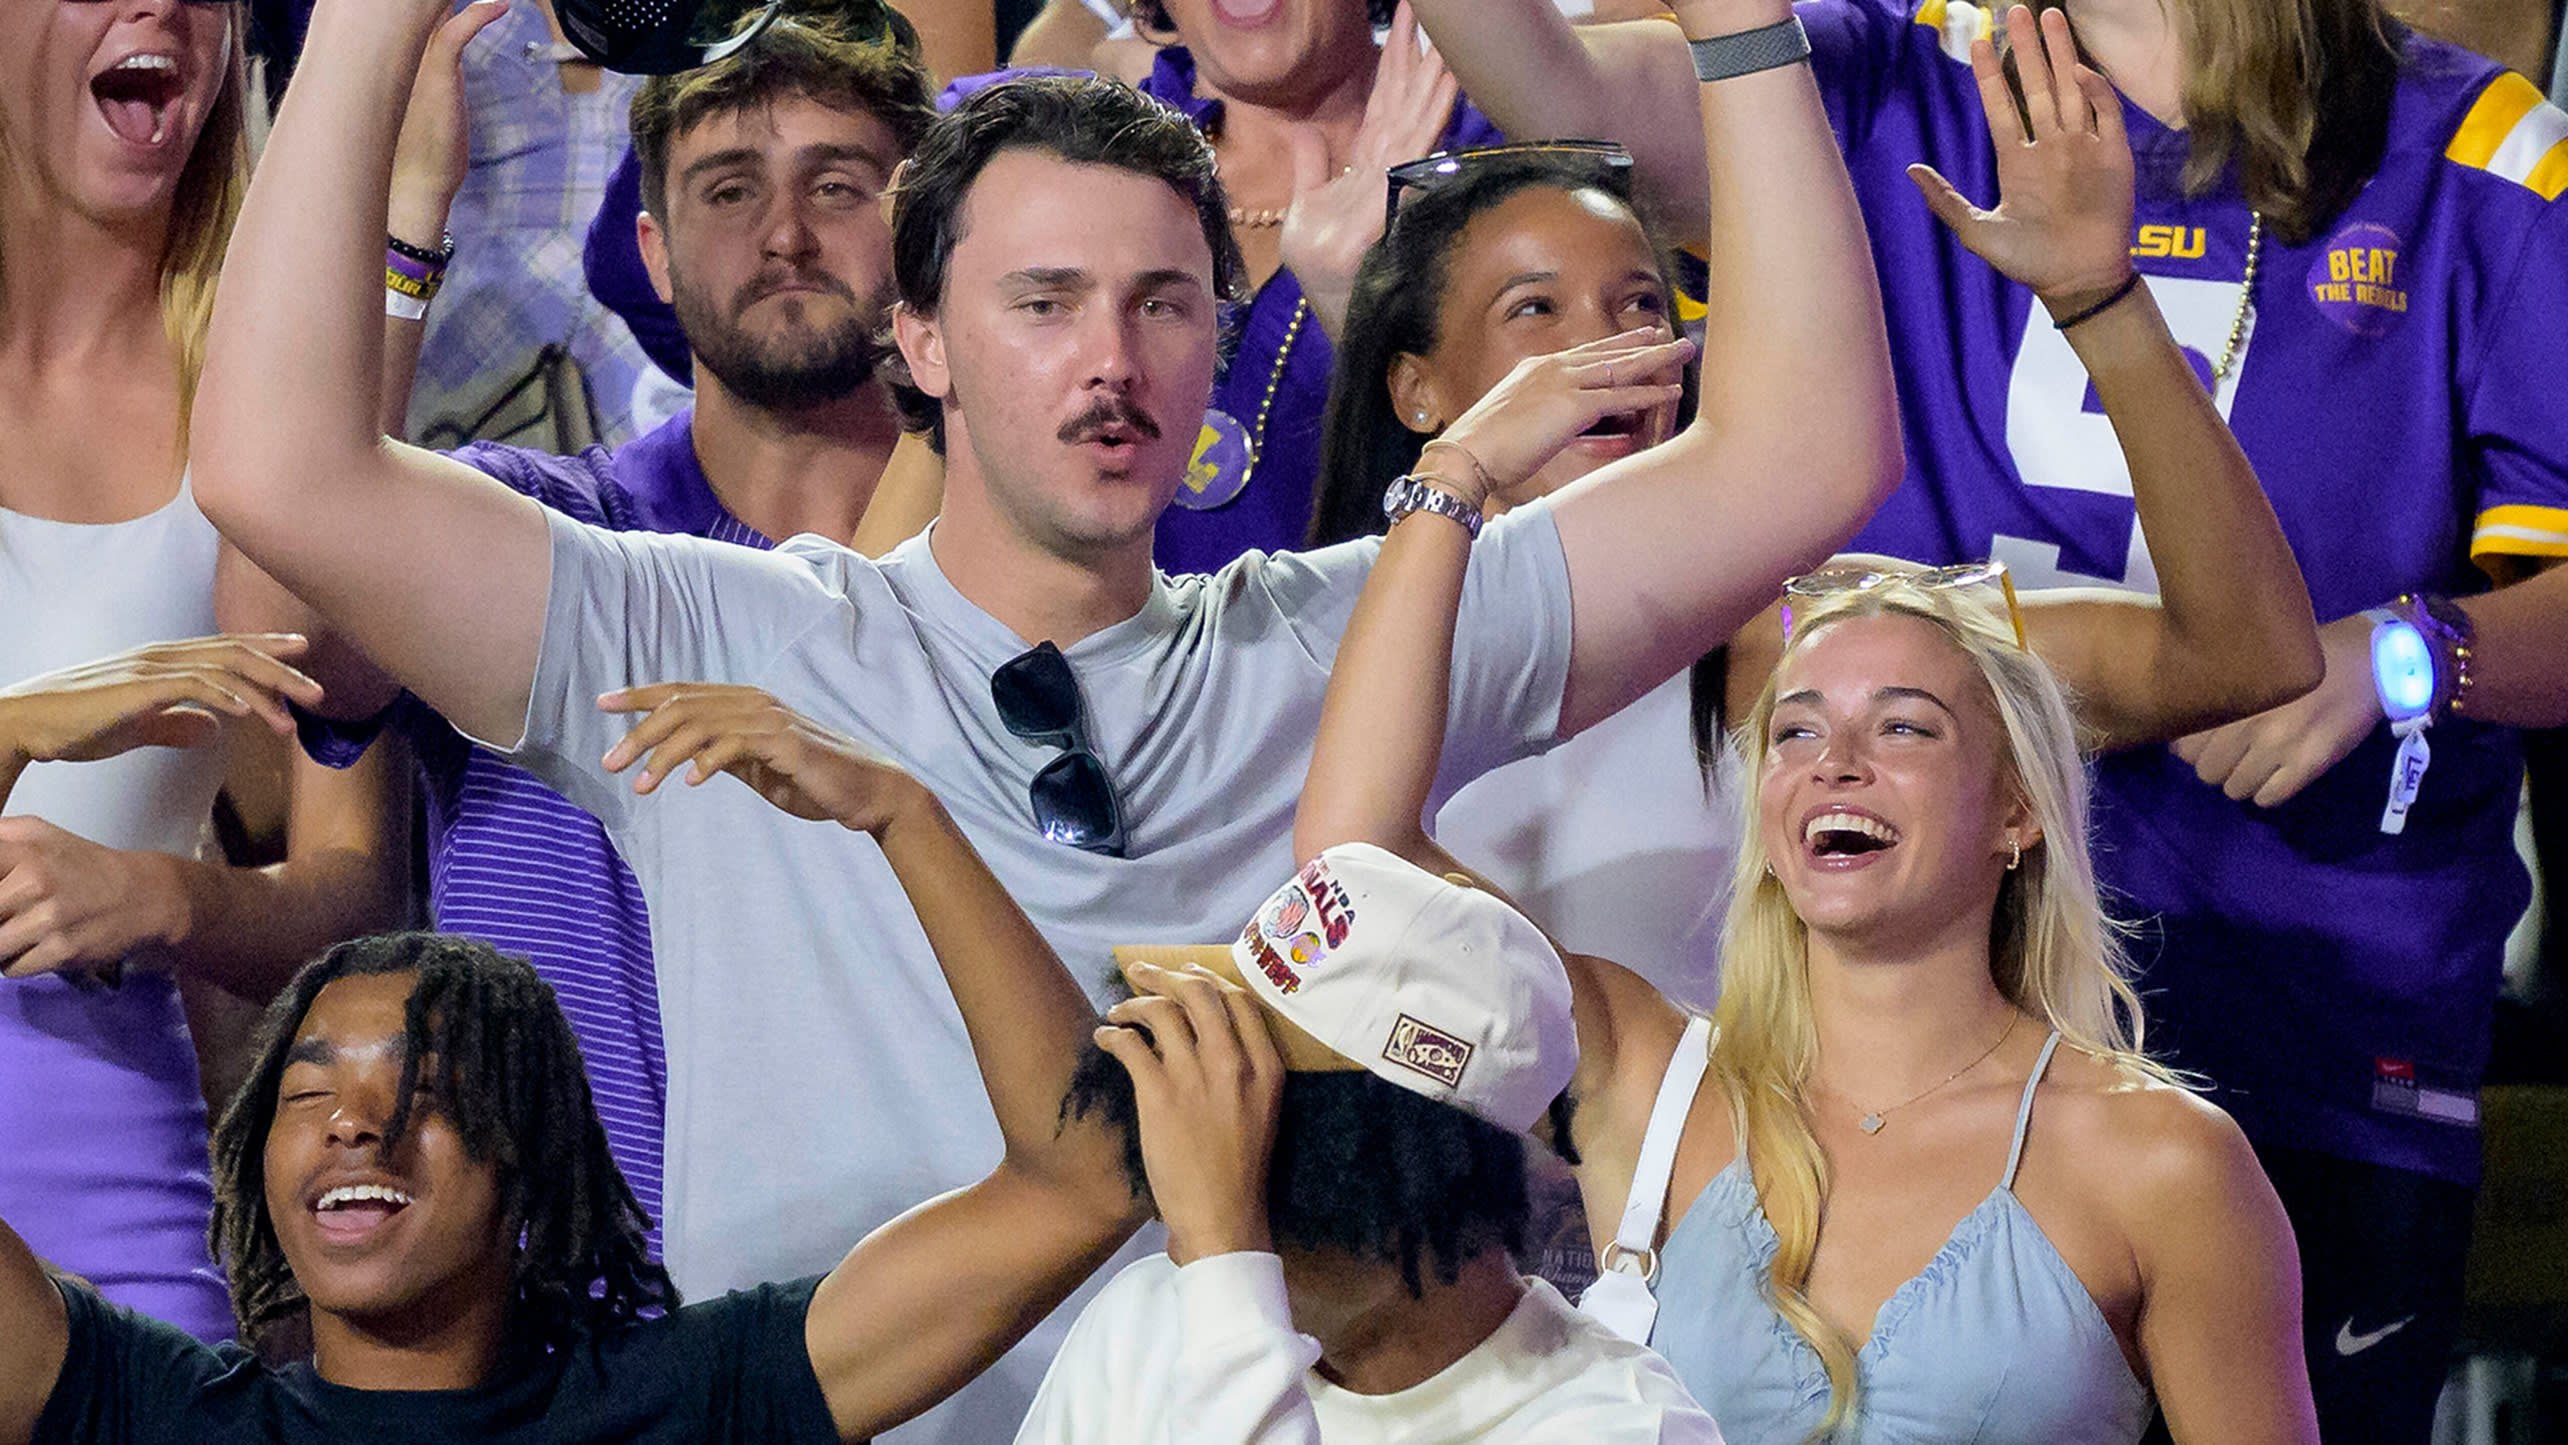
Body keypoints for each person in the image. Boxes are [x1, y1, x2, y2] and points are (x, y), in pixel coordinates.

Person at [191, 0, 1898, 1429]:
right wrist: (365, 27)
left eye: (1163, 303)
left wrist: (1744, 31)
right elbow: (277, 469)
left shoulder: (1348, 634)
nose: (1113, 361)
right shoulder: (715, 627)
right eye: (1044, 301)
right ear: (919, 343)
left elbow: (1806, 453)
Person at [1409, 1, 2568, 1433]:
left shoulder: (2481, 152)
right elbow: (1569, 93)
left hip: (2312, 1030)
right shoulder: (1892, 71)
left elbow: (2250, 653)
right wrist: (1440, 496)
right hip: (1873, 1060)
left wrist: (2406, 653)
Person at [222, 0, 946, 1270]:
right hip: (558, 1316)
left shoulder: (1008, 573)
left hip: (906, 1305)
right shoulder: (539, 534)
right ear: (654, 251)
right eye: (730, 190)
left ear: (924, 237)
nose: (784, 234)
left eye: (837, 186)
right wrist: (409, 209)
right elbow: (287, 631)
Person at [0, 692, 1157, 1443]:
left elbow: (1084, 1181)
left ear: (533, 1166)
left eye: (425, 1090)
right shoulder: (155, 1413)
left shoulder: (695, 1395)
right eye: (307, 1091)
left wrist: (904, 815)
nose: (354, 1122)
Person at [0, 0, 406, 1342]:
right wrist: (22, 727)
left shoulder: (265, 402)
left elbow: (353, 888)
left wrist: (161, 894)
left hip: (104, 1104)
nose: (160, 7)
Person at [1019, 844, 1723, 1442]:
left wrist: (1228, 1253)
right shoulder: (1144, 1322)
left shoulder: (1622, 1427)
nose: (1188, 1160)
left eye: (1256, 1117)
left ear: (1420, 1184)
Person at [1306, 140, 1734, 1008]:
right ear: (1417, 390)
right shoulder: (1312, 638)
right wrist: (1455, 477)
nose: (1604, 343)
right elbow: (1350, 876)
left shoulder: (1776, 627)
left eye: (1641, 304)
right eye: (1535, 308)